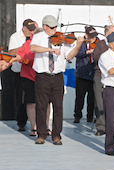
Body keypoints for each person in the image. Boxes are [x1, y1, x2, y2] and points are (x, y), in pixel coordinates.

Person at [30, 15, 84, 145]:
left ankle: (56, 135)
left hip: (57, 76)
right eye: (52, 27)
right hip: (42, 76)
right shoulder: (39, 37)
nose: (55, 29)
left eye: (56, 26)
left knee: (58, 107)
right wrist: (50, 49)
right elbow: (33, 48)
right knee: (41, 106)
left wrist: (78, 45)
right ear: (45, 27)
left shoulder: (63, 40)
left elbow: (70, 56)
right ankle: (41, 134)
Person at [8, 19, 37, 131]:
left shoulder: (36, 37)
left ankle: (35, 122)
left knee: (34, 99)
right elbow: (10, 53)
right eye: (29, 30)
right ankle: (21, 122)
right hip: (19, 71)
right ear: (23, 28)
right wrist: (24, 47)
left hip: (31, 71)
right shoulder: (15, 37)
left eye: (33, 29)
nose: (31, 32)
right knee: (21, 98)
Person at [92, 25, 114, 136]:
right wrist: (107, 54)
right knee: (99, 102)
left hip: (113, 77)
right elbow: (95, 57)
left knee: (113, 103)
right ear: (107, 34)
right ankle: (101, 127)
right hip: (100, 75)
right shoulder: (100, 44)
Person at [73, 26, 98, 123]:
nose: (93, 39)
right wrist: (87, 52)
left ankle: (90, 117)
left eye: (95, 36)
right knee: (80, 97)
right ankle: (77, 116)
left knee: (92, 98)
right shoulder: (81, 42)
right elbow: (76, 54)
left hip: (93, 73)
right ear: (86, 35)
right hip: (82, 74)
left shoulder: (98, 42)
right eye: (91, 37)